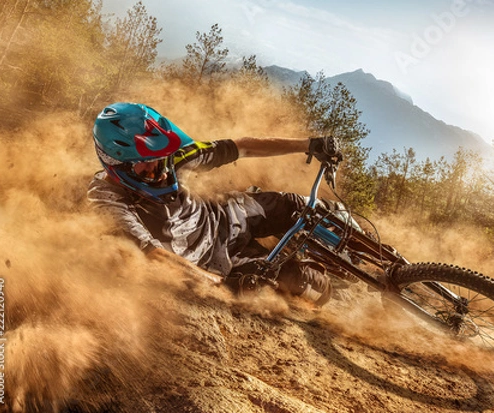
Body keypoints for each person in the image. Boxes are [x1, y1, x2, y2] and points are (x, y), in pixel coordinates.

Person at [87, 102, 343, 306]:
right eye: (145, 164)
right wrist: (219, 284)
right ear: (116, 164)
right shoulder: (107, 201)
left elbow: (242, 148)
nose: (160, 170)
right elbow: (152, 255)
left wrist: (309, 145)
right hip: (221, 262)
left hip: (229, 214)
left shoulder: (176, 158)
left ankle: (357, 242)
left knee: (298, 205)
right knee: (313, 286)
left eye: (161, 157)